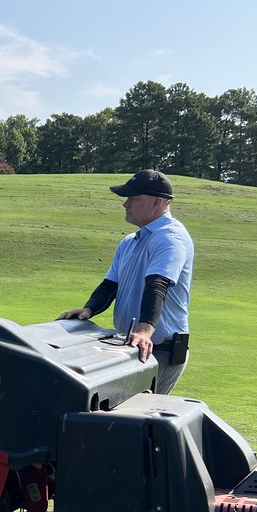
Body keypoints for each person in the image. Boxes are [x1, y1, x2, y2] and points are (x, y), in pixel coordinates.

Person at [58, 169, 194, 395]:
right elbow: (110, 285)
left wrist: (144, 331)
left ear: (157, 202)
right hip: (133, 345)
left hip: (159, 349)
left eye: (133, 199)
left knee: (137, 412)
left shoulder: (171, 238)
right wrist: (89, 309)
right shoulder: (130, 242)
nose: (125, 204)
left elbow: (158, 284)